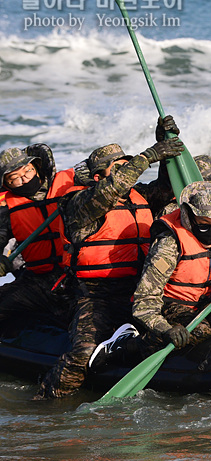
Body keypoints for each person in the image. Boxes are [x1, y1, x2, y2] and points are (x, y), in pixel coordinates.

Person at [34, 120, 184, 399]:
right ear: (98, 177)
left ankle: (124, 348)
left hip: (137, 292)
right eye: (118, 166)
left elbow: (169, 186)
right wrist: (149, 155)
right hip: (95, 295)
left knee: (178, 330)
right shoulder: (80, 204)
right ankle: (46, 400)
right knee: (81, 354)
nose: (127, 171)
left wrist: (164, 144)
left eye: (128, 163)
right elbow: (108, 191)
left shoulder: (142, 196)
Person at [90, 181, 211, 368]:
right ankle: (127, 346)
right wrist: (165, 329)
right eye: (204, 224)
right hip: (170, 304)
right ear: (189, 216)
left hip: (204, 302)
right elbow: (144, 302)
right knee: (199, 331)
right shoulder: (169, 243)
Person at [0, 144, 86, 326]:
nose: (24, 180)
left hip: (78, 277)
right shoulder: (6, 209)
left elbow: (112, 182)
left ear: (36, 167)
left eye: (27, 172)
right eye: (14, 178)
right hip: (38, 281)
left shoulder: (72, 183)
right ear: (6, 184)